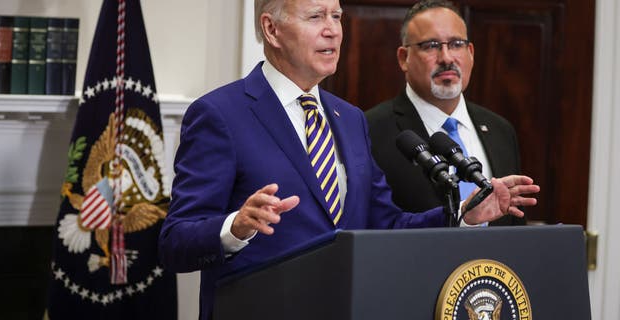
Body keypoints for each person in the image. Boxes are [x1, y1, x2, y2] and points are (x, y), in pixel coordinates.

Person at [159, 0, 539, 318]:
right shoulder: (220, 114)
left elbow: (385, 222)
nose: (333, 30)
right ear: (271, 30)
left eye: (337, 17)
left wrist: (461, 213)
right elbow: (175, 241)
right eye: (316, 17)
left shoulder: (349, 118)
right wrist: (235, 227)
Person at [365, 0, 526, 225]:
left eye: (456, 44)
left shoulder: (500, 130)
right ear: (404, 58)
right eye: (431, 45)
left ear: (470, 53)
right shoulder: (371, 131)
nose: (447, 58)